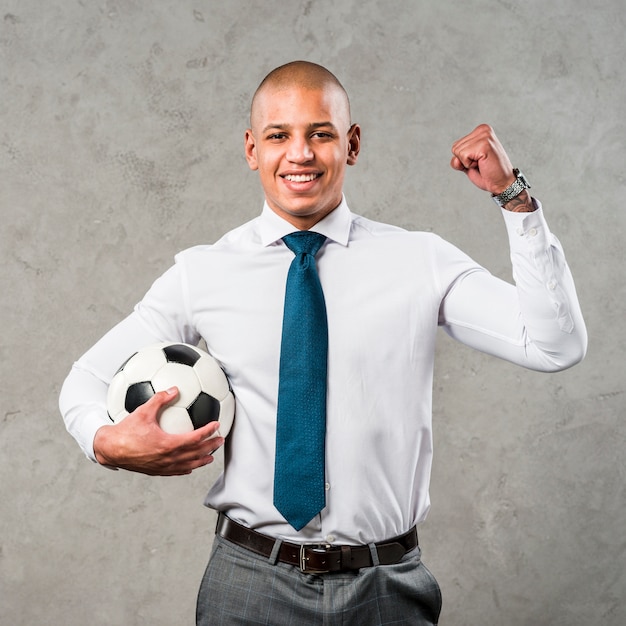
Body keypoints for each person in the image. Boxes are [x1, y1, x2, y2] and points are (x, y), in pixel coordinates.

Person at [60, 60, 587, 625]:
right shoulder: (203, 273)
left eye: (321, 133)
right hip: (248, 583)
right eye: (278, 135)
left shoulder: (419, 260)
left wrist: (513, 197)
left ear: (352, 143)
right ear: (251, 149)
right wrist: (108, 444)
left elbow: (553, 344)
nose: (300, 154)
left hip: (386, 588)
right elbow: (85, 382)